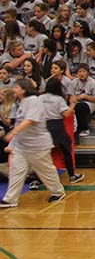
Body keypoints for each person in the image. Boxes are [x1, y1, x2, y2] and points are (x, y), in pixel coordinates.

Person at [0, 79, 66, 208]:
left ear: (23, 89)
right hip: (22, 146)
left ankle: (58, 192)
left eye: (16, 87)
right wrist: (13, 144)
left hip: (38, 146)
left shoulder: (34, 101)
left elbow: (30, 120)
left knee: (46, 170)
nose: (14, 89)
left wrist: (13, 133)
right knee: (16, 171)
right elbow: (19, 123)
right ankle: (10, 199)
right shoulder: (21, 103)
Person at [41, 77, 82, 184]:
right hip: (57, 126)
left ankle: (37, 179)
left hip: (44, 126)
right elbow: (66, 114)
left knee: (43, 153)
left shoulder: (40, 98)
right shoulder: (58, 99)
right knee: (66, 150)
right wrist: (73, 105)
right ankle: (72, 175)